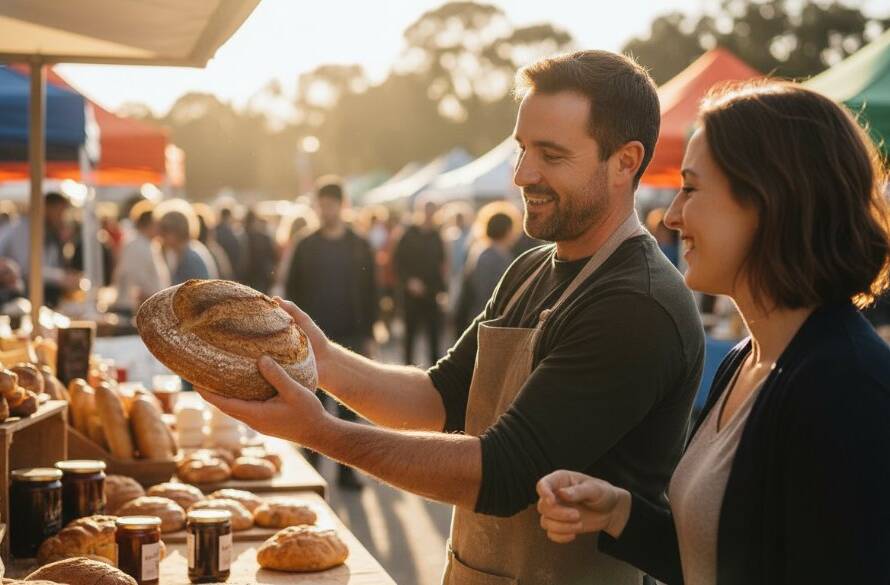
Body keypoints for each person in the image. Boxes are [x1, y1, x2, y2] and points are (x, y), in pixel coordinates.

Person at [197, 50, 703, 585]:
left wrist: (321, 431)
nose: (521, 174)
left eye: (550, 155)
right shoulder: (530, 267)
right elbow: (439, 397)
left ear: (625, 161)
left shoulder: (636, 303)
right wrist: (323, 362)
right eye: (522, 149)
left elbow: (504, 472)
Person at [536, 81, 890, 585]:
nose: (674, 216)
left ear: (769, 200)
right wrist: (620, 513)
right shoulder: (748, 358)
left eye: (692, 187)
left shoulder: (844, 387)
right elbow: (722, 559)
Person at [284, 178, 377, 489]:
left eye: (331, 204)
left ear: (342, 205)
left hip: (350, 334)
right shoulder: (306, 245)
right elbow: (291, 290)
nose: (326, 211)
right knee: (311, 404)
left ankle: (347, 472)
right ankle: (311, 470)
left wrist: (370, 330)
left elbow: (371, 290)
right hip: (310, 338)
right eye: (321, 205)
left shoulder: (359, 245)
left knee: (349, 407)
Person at [0, 191, 81, 307]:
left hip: (32, 299)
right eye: (60, 211)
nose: (62, 217)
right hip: (13, 301)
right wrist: (62, 278)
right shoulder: (22, 230)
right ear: (46, 208)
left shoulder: (47, 232)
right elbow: (27, 269)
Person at [394, 199, 447, 365]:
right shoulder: (408, 234)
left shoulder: (437, 236)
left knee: (434, 335)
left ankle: (435, 370)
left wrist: (442, 290)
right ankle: (407, 367)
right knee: (410, 335)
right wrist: (409, 281)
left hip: (431, 292)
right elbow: (397, 262)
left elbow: (442, 263)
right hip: (410, 293)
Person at [453, 201, 520, 333]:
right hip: (486, 322)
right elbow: (484, 294)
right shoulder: (488, 255)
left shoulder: (486, 251)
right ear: (507, 229)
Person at [110, 200, 170, 314]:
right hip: (136, 309)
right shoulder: (138, 246)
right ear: (150, 224)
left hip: (143, 307)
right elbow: (137, 282)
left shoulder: (145, 245)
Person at [156, 203, 213, 285]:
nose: (160, 237)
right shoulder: (183, 253)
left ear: (176, 231)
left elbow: (201, 293)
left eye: (164, 231)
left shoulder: (192, 258)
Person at [241, 209, 277, 294]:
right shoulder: (265, 238)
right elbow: (273, 258)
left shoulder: (242, 237)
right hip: (263, 278)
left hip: (248, 279)